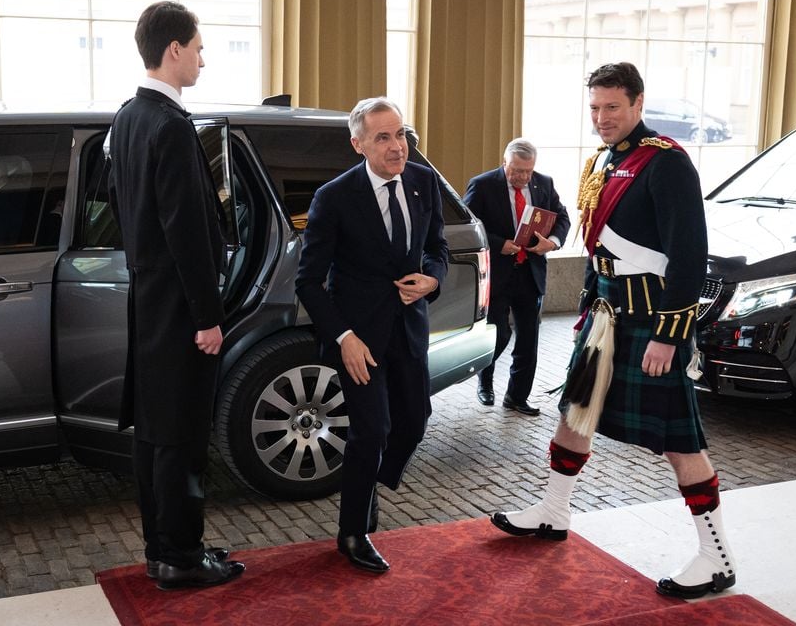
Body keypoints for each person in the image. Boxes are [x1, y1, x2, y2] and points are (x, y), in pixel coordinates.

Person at [491, 62, 737, 599]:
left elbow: (691, 254)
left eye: (613, 107)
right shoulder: (602, 159)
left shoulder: (667, 163)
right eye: (595, 108)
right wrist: (587, 304)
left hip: (650, 318)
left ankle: (716, 556)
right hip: (606, 314)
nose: (602, 118)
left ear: (638, 104)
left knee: (678, 438)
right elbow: (599, 246)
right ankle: (554, 512)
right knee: (573, 413)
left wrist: (670, 334)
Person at [107, 0, 244, 591]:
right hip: (183, 309)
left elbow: (116, 205)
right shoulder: (170, 124)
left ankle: (161, 548)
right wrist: (208, 317)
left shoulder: (125, 117)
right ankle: (183, 559)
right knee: (184, 435)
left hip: (147, 299)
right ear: (173, 51)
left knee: (156, 433)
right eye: (198, 48)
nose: (203, 60)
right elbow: (188, 232)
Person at [295, 97, 448, 573]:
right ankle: (352, 532)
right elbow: (308, 281)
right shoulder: (334, 197)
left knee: (415, 422)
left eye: (400, 134)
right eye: (383, 137)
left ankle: (367, 484)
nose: (396, 146)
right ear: (358, 144)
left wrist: (433, 279)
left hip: (409, 331)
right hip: (358, 339)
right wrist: (343, 337)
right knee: (371, 432)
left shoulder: (424, 182)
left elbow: (438, 248)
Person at [464, 139, 570, 415]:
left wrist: (554, 241)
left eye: (527, 171)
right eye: (516, 171)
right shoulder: (483, 185)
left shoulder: (544, 184)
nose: (522, 177)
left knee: (528, 339)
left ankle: (516, 396)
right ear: (504, 164)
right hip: (498, 272)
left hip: (530, 272)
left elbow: (562, 217)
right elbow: (469, 224)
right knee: (499, 333)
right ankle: (484, 382)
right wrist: (499, 243)